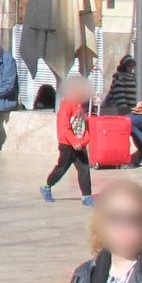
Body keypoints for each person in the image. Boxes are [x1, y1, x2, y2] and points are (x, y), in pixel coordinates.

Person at [40, 73, 97, 205]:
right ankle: (47, 186)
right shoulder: (66, 106)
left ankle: (86, 196)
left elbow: (83, 125)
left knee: (84, 168)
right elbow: (64, 127)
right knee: (61, 168)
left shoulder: (80, 105)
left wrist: (84, 140)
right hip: (67, 145)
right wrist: (74, 141)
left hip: (79, 144)